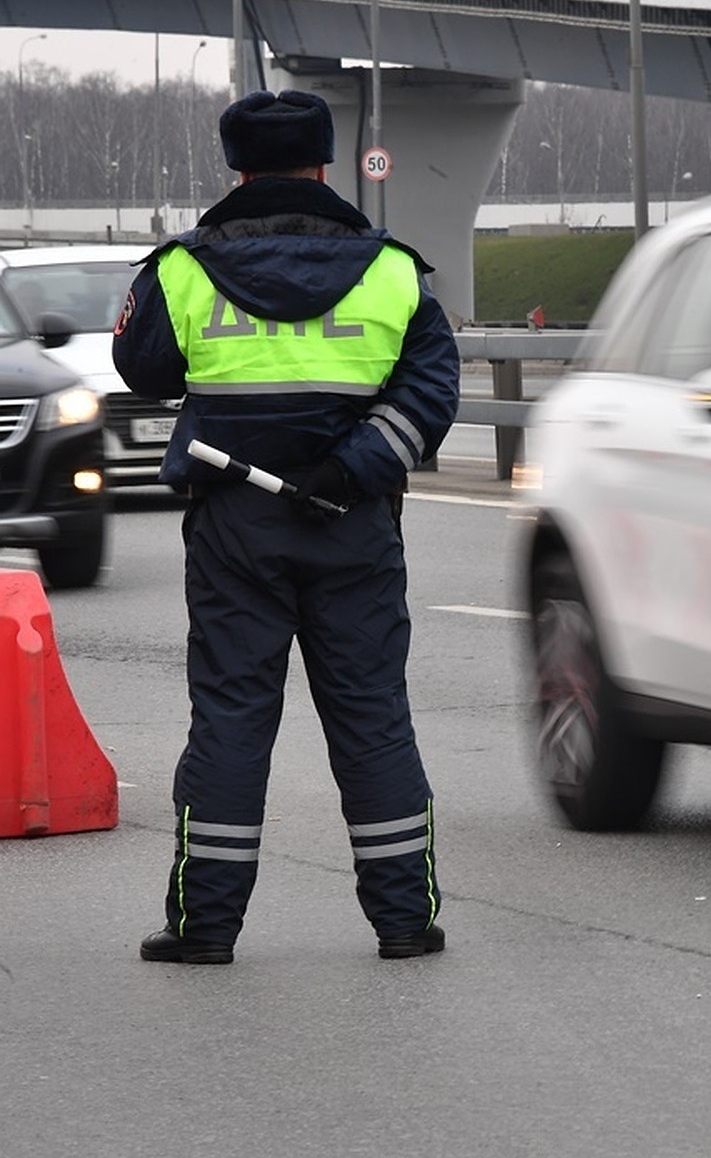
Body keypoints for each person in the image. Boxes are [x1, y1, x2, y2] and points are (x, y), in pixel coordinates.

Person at [113, 88, 460, 964]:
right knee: (373, 715)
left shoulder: (184, 269)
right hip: (354, 523)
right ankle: (404, 922)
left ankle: (206, 927)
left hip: (234, 525)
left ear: (236, 167)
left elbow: (143, 369)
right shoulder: (391, 270)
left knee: (231, 717)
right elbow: (430, 397)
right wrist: (349, 467)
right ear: (326, 163)